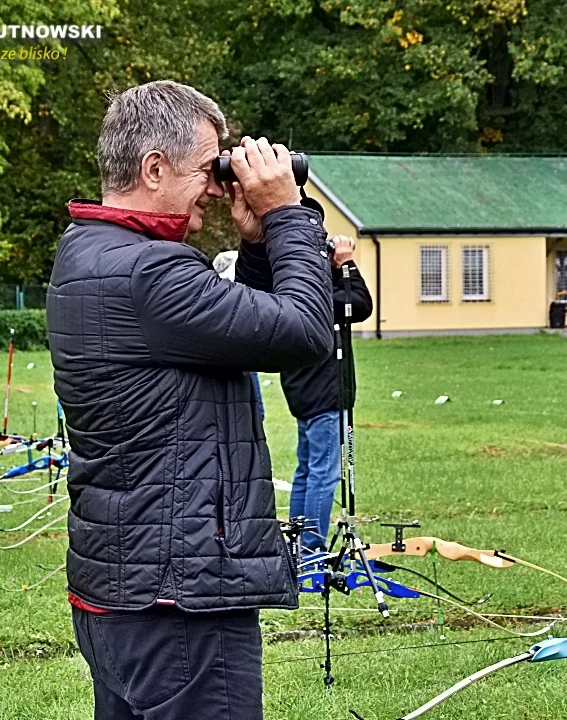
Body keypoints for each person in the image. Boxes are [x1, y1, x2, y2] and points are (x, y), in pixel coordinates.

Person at [46, 80, 333, 720]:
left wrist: (257, 246)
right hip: (180, 598)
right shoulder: (152, 272)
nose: (216, 184)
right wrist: (289, 214)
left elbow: (245, 336)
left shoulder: (88, 253)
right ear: (154, 168)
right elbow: (305, 331)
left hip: (124, 586)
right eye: (209, 168)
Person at [282, 235, 372, 550]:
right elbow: (359, 304)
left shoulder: (292, 290)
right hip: (325, 393)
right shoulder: (316, 297)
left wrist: (333, 268)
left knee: (307, 470)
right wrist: (345, 263)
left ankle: (297, 547)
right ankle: (312, 550)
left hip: (306, 392)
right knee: (324, 473)